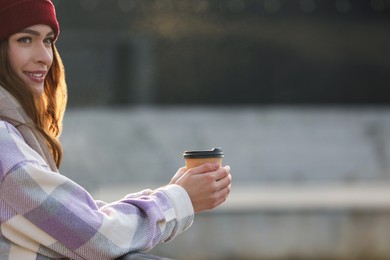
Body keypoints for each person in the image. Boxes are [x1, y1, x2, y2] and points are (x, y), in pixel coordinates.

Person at [0, 0, 232, 259]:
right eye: (25, 40)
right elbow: (96, 237)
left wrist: (172, 194)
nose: (44, 57)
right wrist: (180, 200)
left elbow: (77, 221)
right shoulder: (3, 144)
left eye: (48, 41)